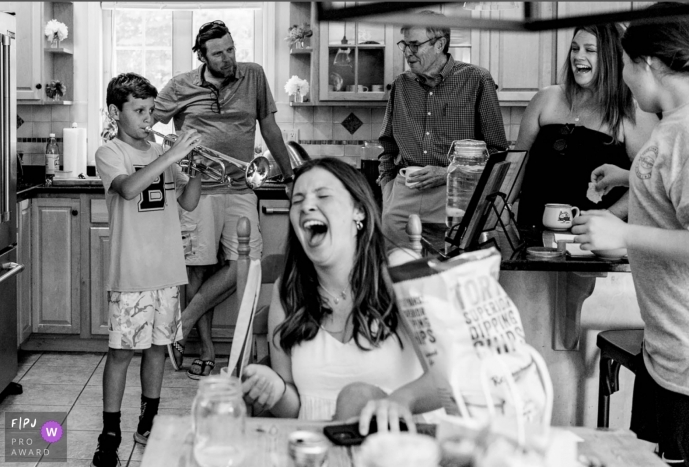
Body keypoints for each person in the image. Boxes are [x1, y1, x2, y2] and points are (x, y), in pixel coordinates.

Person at [573, 5, 689, 465]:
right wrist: (630, 178)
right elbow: (675, 191)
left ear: (646, 63)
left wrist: (624, 234)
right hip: (664, 352)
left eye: (624, 63)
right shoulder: (676, 122)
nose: (621, 76)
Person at [240, 158, 441, 425]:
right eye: (297, 200)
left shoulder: (397, 272)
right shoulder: (288, 291)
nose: (307, 206)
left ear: (358, 211)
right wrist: (276, 391)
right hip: (317, 450)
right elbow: (294, 407)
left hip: (394, 447)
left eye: (323, 195)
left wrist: (400, 402)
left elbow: (451, 375)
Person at [154, 20, 294, 379]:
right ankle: (207, 351)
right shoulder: (180, 85)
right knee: (198, 269)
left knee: (245, 263)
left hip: (241, 185)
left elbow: (271, 128)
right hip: (197, 189)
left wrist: (291, 175)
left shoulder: (254, 76)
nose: (228, 58)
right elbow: (145, 122)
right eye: (219, 53)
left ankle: (180, 325)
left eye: (231, 49)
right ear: (202, 56)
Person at [92, 73, 202, 467]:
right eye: (138, 110)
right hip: (133, 272)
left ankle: (149, 418)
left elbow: (187, 202)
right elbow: (128, 188)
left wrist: (199, 170)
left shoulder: (160, 149)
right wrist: (170, 156)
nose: (148, 118)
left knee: (158, 350)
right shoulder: (111, 152)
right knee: (121, 353)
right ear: (114, 112)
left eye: (151, 110)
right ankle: (110, 432)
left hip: (168, 270)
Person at [378, 10, 509, 250]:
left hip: (456, 194)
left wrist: (446, 172)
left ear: (440, 44)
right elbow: (388, 145)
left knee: (450, 274)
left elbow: (497, 150)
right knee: (396, 273)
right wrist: (388, 190)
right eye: (404, 45)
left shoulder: (477, 79)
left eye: (415, 45)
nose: (408, 53)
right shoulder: (401, 85)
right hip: (404, 193)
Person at [516, 23, 658, 229]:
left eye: (590, 50)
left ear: (611, 58)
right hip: (530, 230)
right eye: (574, 48)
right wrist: (497, 209)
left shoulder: (634, 111)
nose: (577, 56)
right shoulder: (546, 98)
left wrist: (607, 219)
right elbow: (516, 164)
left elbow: (647, 182)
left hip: (593, 243)